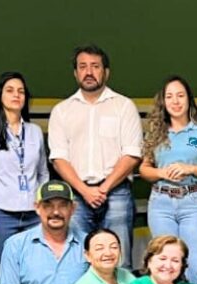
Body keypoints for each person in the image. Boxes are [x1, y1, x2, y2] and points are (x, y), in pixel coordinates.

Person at [48, 44, 143, 265]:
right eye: (83, 67)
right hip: (77, 196)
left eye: (95, 66)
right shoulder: (62, 111)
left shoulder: (123, 106)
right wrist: (85, 191)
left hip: (116, 193)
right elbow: (59, 159)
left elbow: (132, 154)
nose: (89, 72)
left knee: (119, 261)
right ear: (75, 73)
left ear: (106, 72)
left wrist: (103, 188)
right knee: (78, 261)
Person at [140, 76, 197, 284]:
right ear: (163, 102)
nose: (175, 101)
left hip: (193, 202)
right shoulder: (156, 132)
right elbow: (144, 169)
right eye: (169, 96)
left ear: (189, 100)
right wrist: (161, 172)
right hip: (161, 203)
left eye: (180, 95)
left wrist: (191, 169)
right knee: (164, 268)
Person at [0, 72, 50, 283]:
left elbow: (43, 172)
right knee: (0, 265)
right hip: (0, 212)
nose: (16, 95)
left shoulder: (34, 132)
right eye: (10, 90)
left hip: (33, 212)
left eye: (21, 91)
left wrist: (42, 202)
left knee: (35, 265)